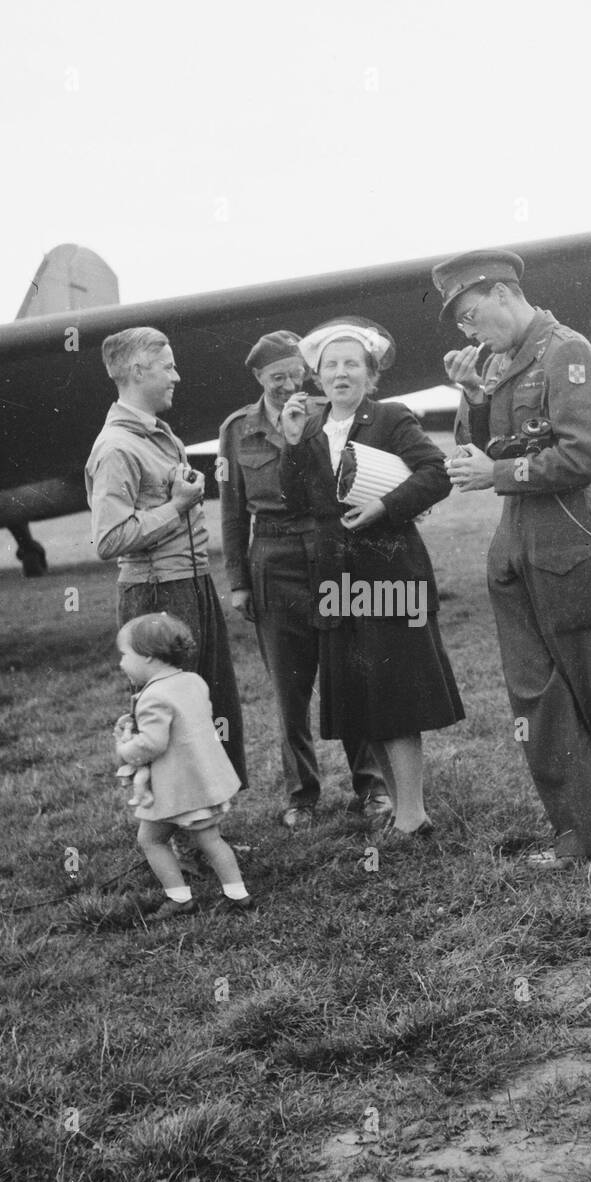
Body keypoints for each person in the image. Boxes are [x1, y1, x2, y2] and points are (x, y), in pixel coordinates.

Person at [435, 249, 591, 869]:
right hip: (516, 536)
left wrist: (499, 472)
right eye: (462, 325)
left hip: (565, 529)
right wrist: (471, 394)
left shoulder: (568, 351)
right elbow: (475, 449)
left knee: (579, 681)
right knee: (532, 691)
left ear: (501, 293)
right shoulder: (496, 362)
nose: (470, 332)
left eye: (471, 316)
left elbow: (581, 457)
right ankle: (577, 828)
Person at [277, 317, 463, 840]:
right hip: (336, 577)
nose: (341, 373)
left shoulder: (390, 417)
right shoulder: (309, 430)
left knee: (394, 692)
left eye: (351, 364)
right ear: (317, 376)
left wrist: (385, 506)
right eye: (330, 365)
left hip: (388, 571)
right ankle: (407, 810)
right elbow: (295, 503)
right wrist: (292, 445)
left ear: (370, 374)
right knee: (363, 696)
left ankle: (412, 812)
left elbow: (436, 473)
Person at [219, 330, 389, 829]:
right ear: (258, 378)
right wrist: (238, 582)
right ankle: (302, 796)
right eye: (277, 378)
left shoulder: (324, 413)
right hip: (271, 559)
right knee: (289, 691)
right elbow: (231, 513)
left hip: (329, 550)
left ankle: (372, 786)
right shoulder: (236, 430)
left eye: (297, 373)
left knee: (349, 672)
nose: (289, 384)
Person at [85, 326, 247, 788]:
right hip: (157, 592)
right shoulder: (117, 447)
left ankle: (204, 823)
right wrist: (176, 506)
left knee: (207, 706)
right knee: (169, 716)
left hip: (190, 583)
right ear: (137, 370)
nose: (176, 376)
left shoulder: (161, 435)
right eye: (168, 366)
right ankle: (171, 838)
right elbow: (108, 540)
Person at [114, 613, 251, 917]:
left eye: (125, 655)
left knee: (150, 840)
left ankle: (180, 899)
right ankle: (238, 894)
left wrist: (125, 746)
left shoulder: (153, 697)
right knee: (212, 840)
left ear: (148, 657)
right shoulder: (193, 682)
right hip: (203, 783)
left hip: (176, 791)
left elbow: (152, 744)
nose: (121, 663)